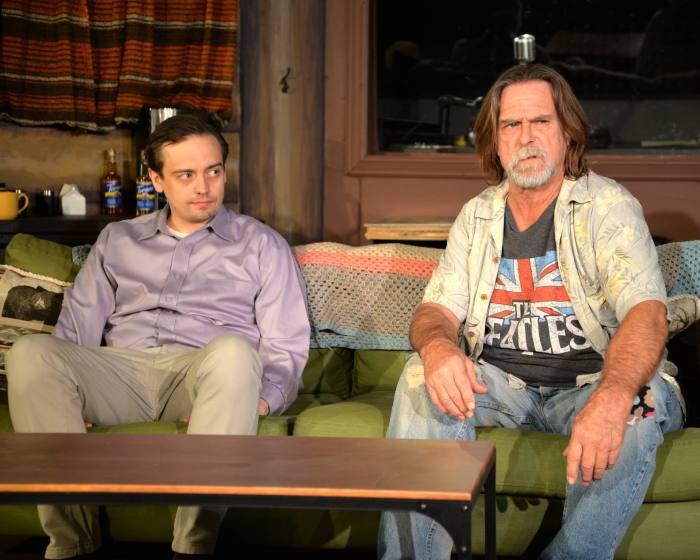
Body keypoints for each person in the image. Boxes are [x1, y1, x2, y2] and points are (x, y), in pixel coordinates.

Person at [378, 64, 684, 560]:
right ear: (494, 142)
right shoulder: (477, 216)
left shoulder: (608, 207)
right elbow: (435, 310)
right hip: (502, 388)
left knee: (638, 402)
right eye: (511, 125)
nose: (526, 138)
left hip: (591, 384)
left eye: (541, 121)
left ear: (568, 133)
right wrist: (437, 348)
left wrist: (612, 394)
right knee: (419, 376)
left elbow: (646, 314)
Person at [6, 114, 310, 560]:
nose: (204, 187)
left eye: (213, 171)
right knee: (31, 352)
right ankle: (73, 543)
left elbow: (286, 346)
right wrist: (65, 399)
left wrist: (256, 401)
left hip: (204, 375)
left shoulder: (262, 245)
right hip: (120, 374)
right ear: (157, 180)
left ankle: (193, 546)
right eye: (186, 175)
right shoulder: (117, 240)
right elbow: (76, 331)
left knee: (233, 350)